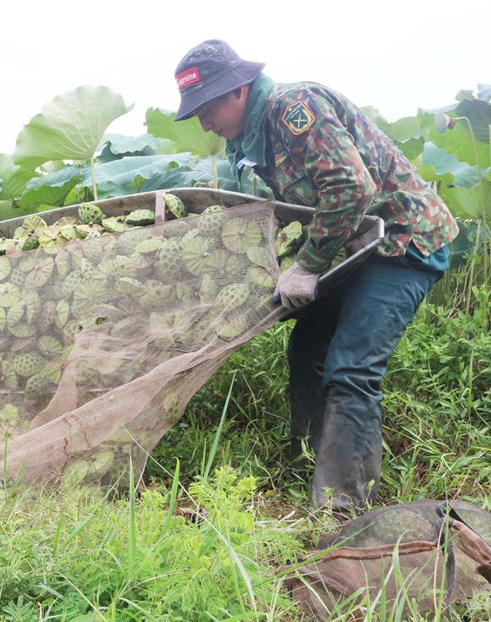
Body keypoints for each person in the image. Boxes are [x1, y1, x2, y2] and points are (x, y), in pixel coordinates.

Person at [173, 40, 458, 514]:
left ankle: (341, 505)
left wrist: (306, 266)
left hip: (403, 242)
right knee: (307, 349)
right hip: (352, 247)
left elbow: (351, 187)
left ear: (239, 90)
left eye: (207, 108)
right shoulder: (250, 136)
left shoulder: (294, 108)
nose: (204, 122)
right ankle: (307, 463)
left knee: (352, 367)